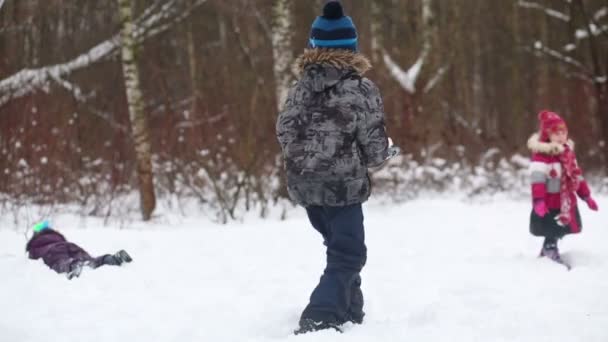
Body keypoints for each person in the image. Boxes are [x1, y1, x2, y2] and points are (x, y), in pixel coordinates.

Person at [276, 0, 397, 334]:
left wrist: (305, 158)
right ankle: (322, 313)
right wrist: (386, 153)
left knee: (339, 248)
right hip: (342, 189)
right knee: (349, 253)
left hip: (305, 187)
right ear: (351, 47)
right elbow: (374, 148)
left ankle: (350, 310)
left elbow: (284, 130)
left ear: (314, 47)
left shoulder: (299, 88)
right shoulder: (360, 89)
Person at [527, 110, 599, 268]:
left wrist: (587, 197)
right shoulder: (541, 156)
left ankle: (549, 248)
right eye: (556, 133)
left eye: (563, 132)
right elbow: (537, 181)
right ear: (547, 135)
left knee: (559, 229)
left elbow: (577, 177)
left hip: (565, 202)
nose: (561, 136)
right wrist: (538, 201)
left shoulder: (568, 155)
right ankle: (549, 249)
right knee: (551, 228)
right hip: (549, 202)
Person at [25, 221, 132, 279]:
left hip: (52, 251)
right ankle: (109, 259)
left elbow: (31, 257)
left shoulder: (35, 243)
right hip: (69, 245)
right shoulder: (57, 236)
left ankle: (73, 266)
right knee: (90, 261)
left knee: (61, 262)